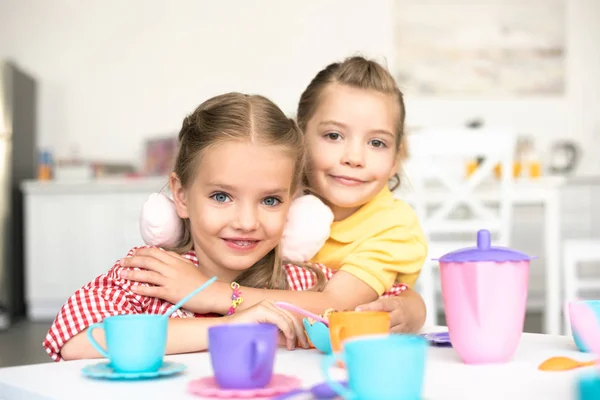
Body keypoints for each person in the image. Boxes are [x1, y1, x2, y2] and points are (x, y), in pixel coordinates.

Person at [121, 56, 428, 332]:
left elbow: (337, 306)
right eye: (333, 135)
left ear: (395, 159)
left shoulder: (394, 227)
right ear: (300, 139)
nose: (354, 157)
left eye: (377, 143)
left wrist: (209, 293)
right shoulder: (270, 198)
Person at [43, 93, 330, 361]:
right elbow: (78, 339)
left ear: (292, 203)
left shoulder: (303, 283)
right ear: (181, 196)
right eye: (221, 196)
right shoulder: (151, 274)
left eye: (270, 200)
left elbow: (361, 318)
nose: (246, 223)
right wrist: (229, 327)